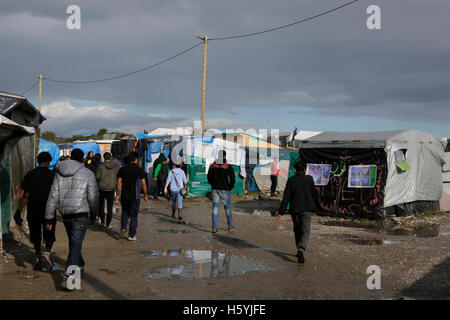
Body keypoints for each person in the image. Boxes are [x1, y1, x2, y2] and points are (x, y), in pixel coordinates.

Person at [45, 148, 99, 290]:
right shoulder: (88, 173)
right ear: (83, 159)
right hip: (81, 214)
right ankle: (70, 278)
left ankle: (79, 267)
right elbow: (93, 197)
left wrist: (49, 218)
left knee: (75, 243)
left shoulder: (59, 173)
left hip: (66, 214)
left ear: (70, 157)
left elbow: (53, 196)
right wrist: (94, 214)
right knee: (75, 244)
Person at [14, 152, 56, 270]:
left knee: (35, 234)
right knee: (50, 233)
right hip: (49, 210)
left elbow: (25, 196)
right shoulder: (53, 175)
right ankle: (47, 252)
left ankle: (38, 258)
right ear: (49, 161)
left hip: (33, 209)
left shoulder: (30, 175)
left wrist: (18, 211)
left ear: (38, 161)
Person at [276, 161, 319, 264]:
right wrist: (317, 207)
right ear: (304, 170)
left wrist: (281, 213)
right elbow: (314, 194)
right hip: (307, 209)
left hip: (295, 209)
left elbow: (286, 197)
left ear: (295, 170)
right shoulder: (309, 179)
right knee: (306, 230)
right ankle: (301, 249)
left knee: (297, 230)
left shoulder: (291, 180)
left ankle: (298, 248)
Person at [115, 152, 148, 241]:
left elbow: (119, 182)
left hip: (124, 195)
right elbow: (144, 183)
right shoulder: (139, 170)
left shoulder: (122, 169)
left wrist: (118, 195)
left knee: (125, 212)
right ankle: (131, 235)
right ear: (136, 159)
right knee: (134, 216)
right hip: (135, 196)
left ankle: (123, 227)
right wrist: (145, 195)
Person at [207, 150, 235, 234]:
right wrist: (230, 187)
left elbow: (208, 177)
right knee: (227, 208)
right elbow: (232, 178)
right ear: (225, 156)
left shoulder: (212, 165)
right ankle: (230, 226)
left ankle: (214, 228)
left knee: (215, 208)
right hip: (225, 189)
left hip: (215, 189)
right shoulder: (227, 166)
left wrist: (213, 184)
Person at [96, 152, 119, 229]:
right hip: (111, 189)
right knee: (110, 207)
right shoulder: (116, 167)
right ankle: (108, 224)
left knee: (101, 205)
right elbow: (118, 177)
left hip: (102, 188)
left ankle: (102, 221)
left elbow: (97, 177)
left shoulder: (100, 166)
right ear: (111, 158)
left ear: (104, 158)